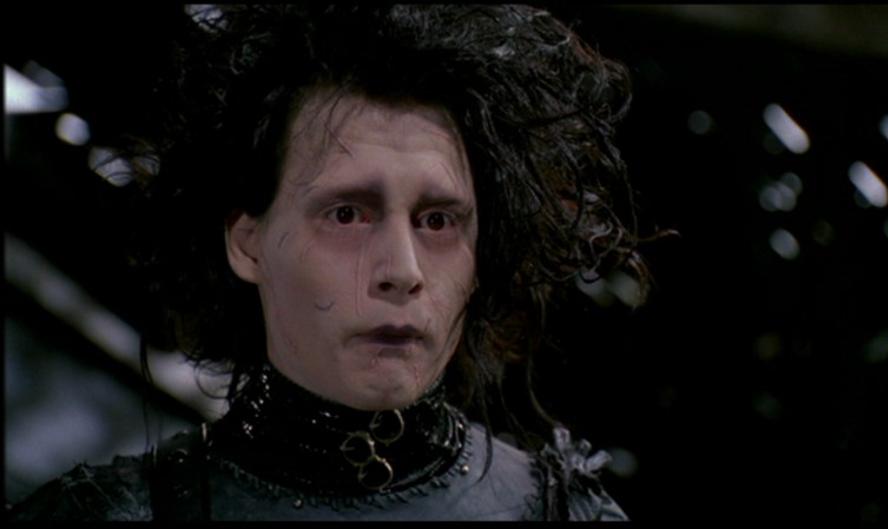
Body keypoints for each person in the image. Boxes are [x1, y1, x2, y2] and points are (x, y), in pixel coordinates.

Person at [9, 4, 651, 521]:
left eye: (437, 221)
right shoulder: (112, 513)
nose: (403, 270)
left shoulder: (562, 513)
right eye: (347, 214)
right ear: (248, 243)